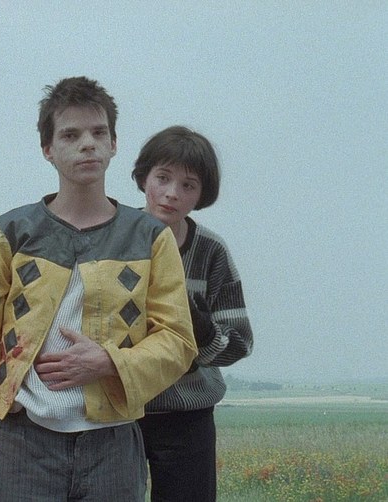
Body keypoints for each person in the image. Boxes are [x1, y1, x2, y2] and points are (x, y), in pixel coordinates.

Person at [0, 76, 198, 502]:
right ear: (48, 149)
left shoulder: (150, 238)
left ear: (114, 144)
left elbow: (178, 341)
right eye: (71, 135)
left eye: (98, 133)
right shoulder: (9, 233)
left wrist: (110, 361)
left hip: (113, 446)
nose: (87, 145)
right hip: (21, 444)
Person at [131, 125, 254, 501]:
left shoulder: (211, 251)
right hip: (116, 412)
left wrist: (201, 330)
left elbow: (240, 343)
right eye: (163, 178)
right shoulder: (111, 237)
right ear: (144, 178)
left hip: (188, 415)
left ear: (202, 194)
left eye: (188, 185)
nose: (172, 193)